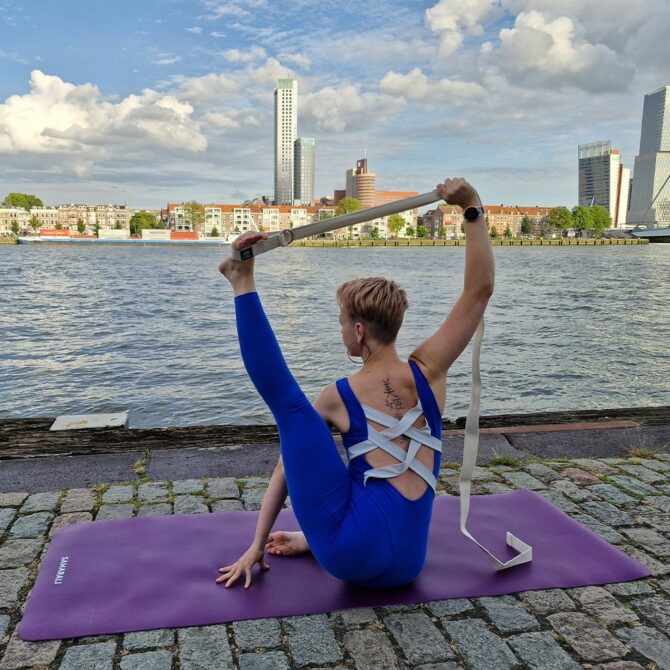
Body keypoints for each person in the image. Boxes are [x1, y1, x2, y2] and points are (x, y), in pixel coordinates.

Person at [216, 177, 494, 589]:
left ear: (359, 331)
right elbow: (479, 291)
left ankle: (241, 280)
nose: (341, 332)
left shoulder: (336, 397)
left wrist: (256, 544)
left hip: (350, 556)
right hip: (408, 564)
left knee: (291, 410)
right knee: (345, 464)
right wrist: (472, 207)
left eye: (342, 323)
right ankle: (309, 539)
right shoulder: (431, 371)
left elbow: (290, 466)